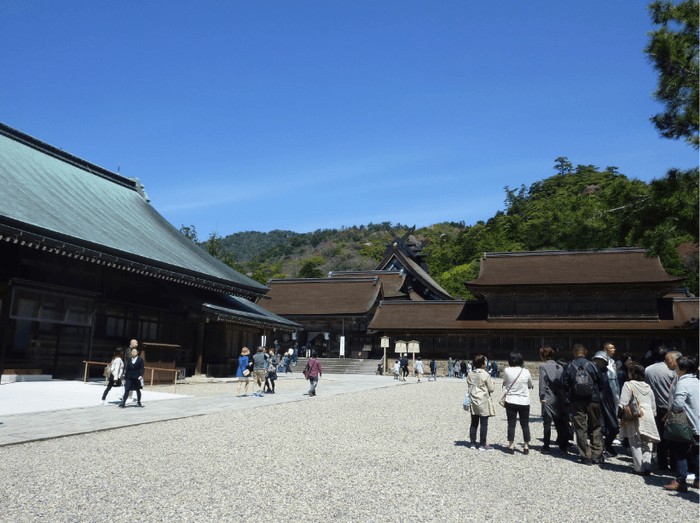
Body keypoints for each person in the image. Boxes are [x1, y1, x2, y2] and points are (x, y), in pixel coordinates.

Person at [563, 344, 607, 465]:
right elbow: (602, 382)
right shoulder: (593, 365)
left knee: (580, 428)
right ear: (586, 352)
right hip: (593, 400)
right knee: (595, 426)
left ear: (573, 352)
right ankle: (597, 454)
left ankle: (585, 455)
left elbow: (565, 384)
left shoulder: (569, 366)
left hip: (576, 401)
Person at [663, 357, 700, 492]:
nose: (675, 369)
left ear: (683, 369)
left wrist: (673, 410)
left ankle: (680, 481)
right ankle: (698, 480)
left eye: (677, 367)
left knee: (680, 452)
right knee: (697, 452)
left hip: (687, 424)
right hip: (698, 423)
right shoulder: (697, 381)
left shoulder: (683, 383)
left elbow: (678, 404)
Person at [618, 363, 660, 476]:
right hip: (649, 415)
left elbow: (623, 403)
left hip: (635, 416)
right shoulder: (648, 386)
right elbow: (653, 405)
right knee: (646, 443)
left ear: (631, 373)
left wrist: (619, 417)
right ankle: (647, 467)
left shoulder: (628, 384)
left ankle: (639, 468)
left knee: (635, 442)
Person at [645, 345, 676, 472]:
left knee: (660, 437)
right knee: (674, 438)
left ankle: (662, 463)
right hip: (671, 407)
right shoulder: (672, 370)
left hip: (656, 407)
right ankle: (674, 465)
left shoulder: (648, 370)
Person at [502, 351, 534, 454]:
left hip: (511, 400)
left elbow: (505, 382)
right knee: (525, 424)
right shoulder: (526, 372)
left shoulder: (506, 371)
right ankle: (526, 446)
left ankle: (511, 446)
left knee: (511, 424)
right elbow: (530, 383)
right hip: (524, 401)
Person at [539, 346, 569, 454]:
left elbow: (542, 383)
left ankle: (546, 446)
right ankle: (563, 447)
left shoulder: (543, 367)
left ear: (543, 356)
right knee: (560, 423)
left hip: (548, 397)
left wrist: (541, 396)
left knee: (547, 423)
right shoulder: (559, 367)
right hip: (559, 397)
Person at [593, 351, 620, 457]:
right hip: (597, 401)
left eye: (601, 360)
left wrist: (618, 404)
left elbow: (616, 390)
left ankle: (608, 444)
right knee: (599, 427)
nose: (598, 362)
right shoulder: (593, 372)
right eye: (596, 360)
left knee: (614, 427)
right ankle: (601, 448)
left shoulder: (611, 373)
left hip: (609, 402)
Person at [467, 354, 496, 451]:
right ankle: (483, 444)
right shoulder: (485, 374)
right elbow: (491, 389)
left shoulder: (470, 374)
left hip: (473, 400)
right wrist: (492, 383)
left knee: (474, 423)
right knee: (484, 423)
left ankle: (472, 443)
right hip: (483, 400)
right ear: (483, 364)